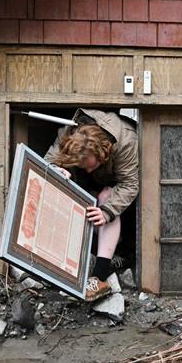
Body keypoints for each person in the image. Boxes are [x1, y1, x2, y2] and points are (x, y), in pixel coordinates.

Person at [44, 108, 138, 301]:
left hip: (116, 182)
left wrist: (107, 212)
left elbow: (129, 184)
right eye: (81, 165)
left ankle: (100, 277)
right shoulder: (68, 134)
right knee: (80, 195)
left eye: (87, 164)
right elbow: (47, 161)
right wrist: (56, 169)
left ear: (100, 150)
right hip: (91, 184)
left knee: (106, 198)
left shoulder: (126, 140)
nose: (86, 169)